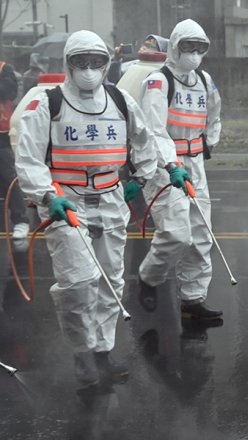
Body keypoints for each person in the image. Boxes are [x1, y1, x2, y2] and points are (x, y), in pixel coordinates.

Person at [14, 30, 157, 386]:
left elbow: (144, 139)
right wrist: (48, 196)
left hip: (111, 197)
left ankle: (101, 353)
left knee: (110, 280)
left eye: (96, 62)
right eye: (81, 62)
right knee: (78, 283)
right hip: (65, 201)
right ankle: (83, 353)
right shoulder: (48, 104)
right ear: (69, 63)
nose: (89, 69)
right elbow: (28, 157)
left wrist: (141, 176)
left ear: (106, 64)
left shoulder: (120, 100)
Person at [137, 19, 223, 320]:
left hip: (195, 163)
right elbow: (153, 129)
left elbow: (215, 114)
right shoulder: (158, 82)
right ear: (175, 46)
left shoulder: (205, 81)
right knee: (176, 234)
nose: (194, 54)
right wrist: (171, 164)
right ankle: (149, 277)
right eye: (188, 47)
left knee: (201, 235)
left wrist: (208, 143)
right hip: (165, 167)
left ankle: (193, 299)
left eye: (200, 48)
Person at [0, 58, 29, 241]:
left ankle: (20, 220)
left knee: (8, 176)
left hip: (0, 134)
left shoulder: (4, 69)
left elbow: (9, 91)